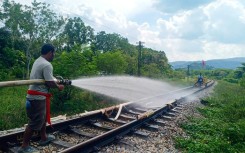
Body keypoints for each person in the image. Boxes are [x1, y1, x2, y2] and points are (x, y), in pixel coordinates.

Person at [18, 44, 64, 153]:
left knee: (42, 119)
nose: (54, 55)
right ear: (50, 52)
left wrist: (54, 79)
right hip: (37, 98)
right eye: (54, 53)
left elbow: (46, 78)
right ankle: (24, 146)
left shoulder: (38, 61)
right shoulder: (47, 64)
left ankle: (43, 138)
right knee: (34, 122)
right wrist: (58, 86)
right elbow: (49, 83)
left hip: (35, 97)